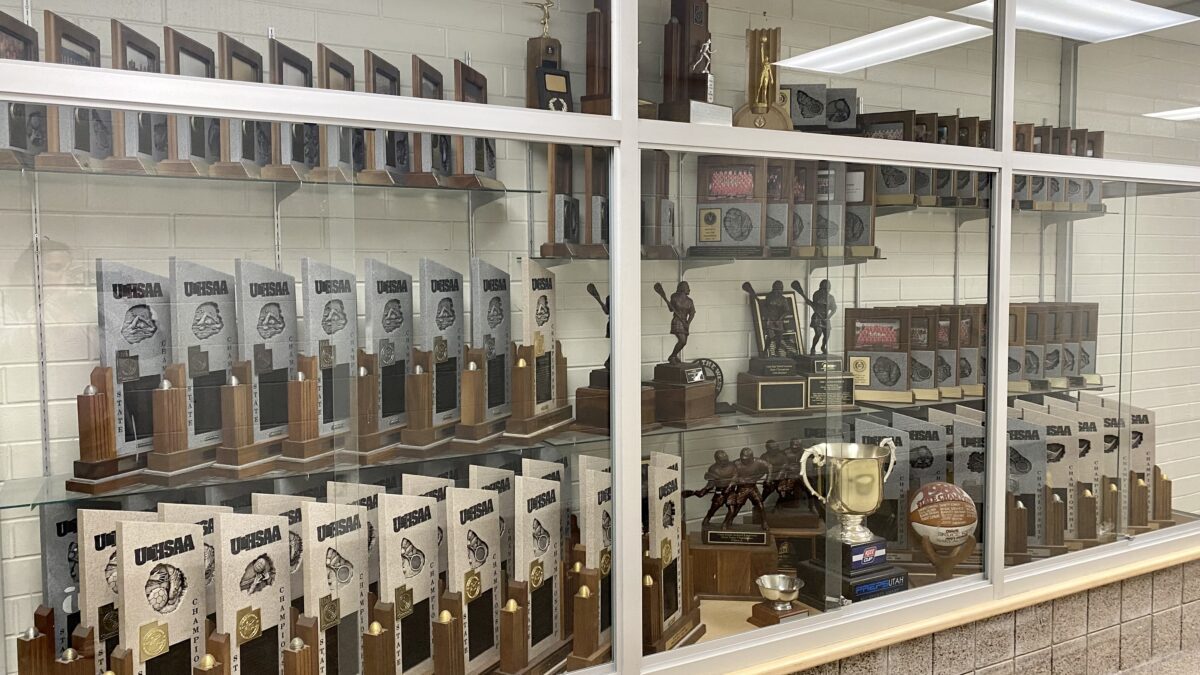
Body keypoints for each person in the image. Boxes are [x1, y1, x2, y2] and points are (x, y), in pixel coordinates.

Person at [654, 281, 695, 364]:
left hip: (684, 322)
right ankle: (672, 356)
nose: (689, 289)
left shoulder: (690, 301)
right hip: (677, 321)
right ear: (683, 288)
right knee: (682, 341)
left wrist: (688, 323)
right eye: (687, 287)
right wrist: (667, 301)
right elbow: (671, 309)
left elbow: (692, 312)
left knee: (684, 342)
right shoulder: (674, 297)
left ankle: (674, 356)